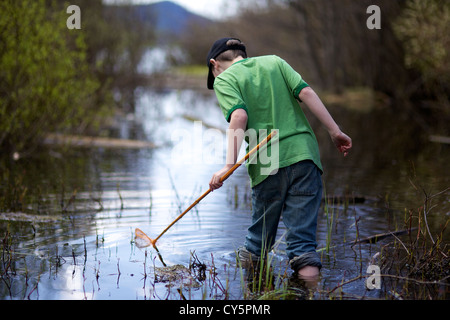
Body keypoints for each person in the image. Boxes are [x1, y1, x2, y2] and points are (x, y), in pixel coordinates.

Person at [206, 37, 352, 280]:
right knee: (304, 247)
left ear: (214, 64)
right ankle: (310, 291)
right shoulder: (274, 61)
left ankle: (254, 294)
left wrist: (228, 166)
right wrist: (335, 131)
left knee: (256, 245)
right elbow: (306, 92)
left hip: (266, 161)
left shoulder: (224, 78)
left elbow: (239, 116)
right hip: (304, 155)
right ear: (243, 54)